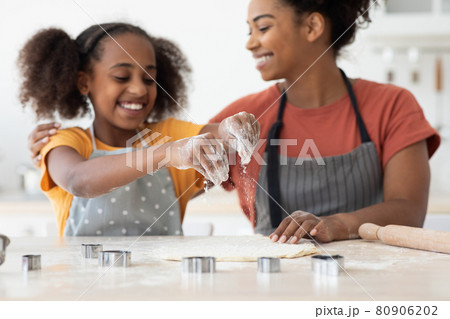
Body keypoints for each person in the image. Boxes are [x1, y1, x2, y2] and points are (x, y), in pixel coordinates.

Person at [29, 0, 440, 244]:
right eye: (122, 76)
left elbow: (409, 209)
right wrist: (202, 141)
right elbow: (83, 178)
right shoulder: (80, 143)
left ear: (314, 26)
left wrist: (340, 225)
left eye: (262, 27)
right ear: (82, 81)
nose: (249, 41)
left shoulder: (390, 104)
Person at [19, 22, 259, 237]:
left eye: (149, 79)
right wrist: (168, 153)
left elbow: (216, 135)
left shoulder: (168, 133)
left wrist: (230, 129)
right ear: (84, 82)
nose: (139, 89)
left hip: (162, 284)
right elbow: (78, 180)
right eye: (122, 77)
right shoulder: (66, 141)